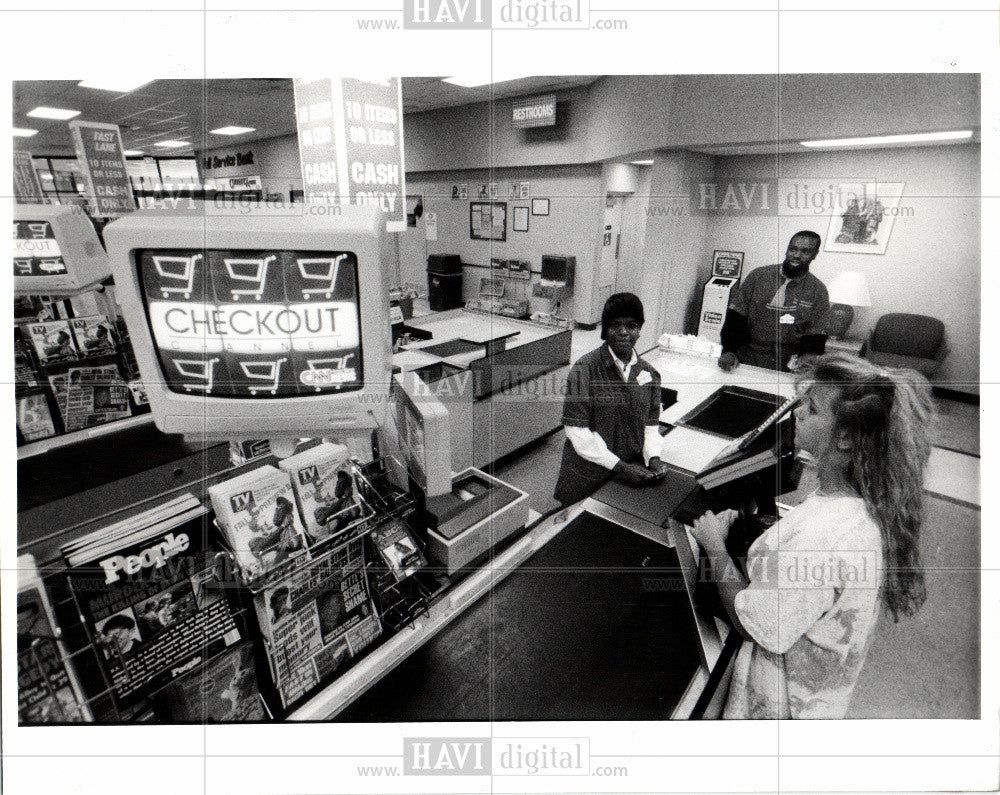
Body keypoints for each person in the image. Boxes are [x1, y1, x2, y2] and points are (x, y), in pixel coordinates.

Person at [689, 354, 933, 718]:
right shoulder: (855, 505)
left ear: (846, 438)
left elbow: (750, 623)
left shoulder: (821, 541)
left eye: (813, 409)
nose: (799, 413)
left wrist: (714, 545)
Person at [553, 293, 670, 506]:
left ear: (639, 330)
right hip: (587, 476)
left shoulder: (649, 373)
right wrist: (621, 467)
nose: (624, 332)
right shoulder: (584, 370)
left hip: (629, 476)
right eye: (615, 325)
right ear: (605, 329)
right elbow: (576, 432)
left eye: (631, 325)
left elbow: (650, 426)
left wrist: (653, 458)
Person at [718, 231, 829, 372]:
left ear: (814, 255)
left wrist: (806, 360)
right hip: (745, 359)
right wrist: (729, 350)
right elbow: (735, 318)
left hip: (786, 366)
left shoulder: (818, 291)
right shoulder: (758, 277)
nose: (796, 255)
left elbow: (816, 336)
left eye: (805, 251)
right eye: (793, 249)